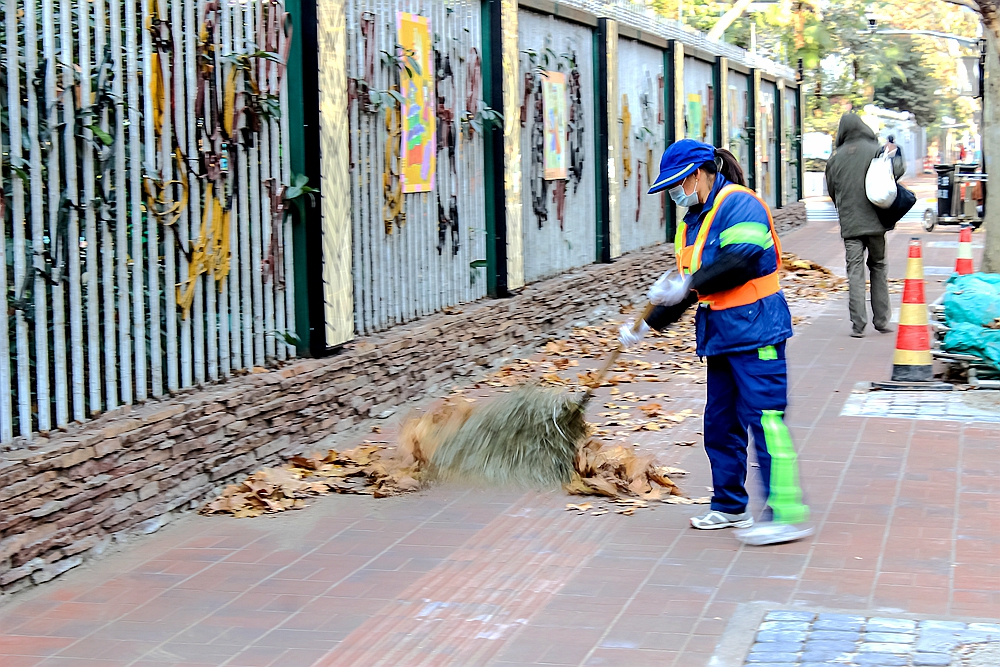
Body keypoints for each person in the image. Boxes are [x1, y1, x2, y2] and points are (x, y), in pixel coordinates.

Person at [617, 139, 812, 547]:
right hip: (722, 335)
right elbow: (688, 291)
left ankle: (787, 513)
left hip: (757, 330)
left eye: (675, 184)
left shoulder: (740, 204)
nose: (674, 194)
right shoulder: (692, 222)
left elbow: (739, 259)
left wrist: (690, 281)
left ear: (697, 175)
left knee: (765, 420)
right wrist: (648, 324)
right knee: (720, 424)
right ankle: (729, 504)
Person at [825, 114, 904, 338]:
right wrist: (895, 152)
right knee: (878, 267)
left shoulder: (835, 158)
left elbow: (832, 191)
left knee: (855, 273)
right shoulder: (876, 150)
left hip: (850, 224)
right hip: (876, 222)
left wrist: (845, 207)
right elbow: (896, 172)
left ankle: (858, 324)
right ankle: (881, 320)